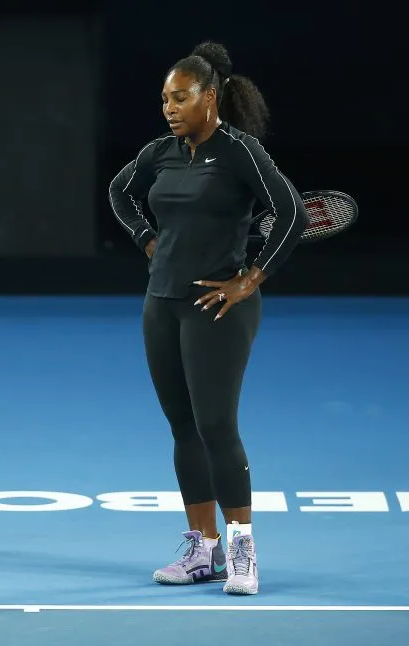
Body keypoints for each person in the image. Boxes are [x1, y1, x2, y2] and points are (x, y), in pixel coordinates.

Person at [108, 41, 308, 595]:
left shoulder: (240, 152)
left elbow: (289, 213)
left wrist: (250, 278)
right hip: (161, 304)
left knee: (217, 426)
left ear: (210, 96)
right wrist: (146, 238)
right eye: (164, 100)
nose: (169, 108)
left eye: (180, 98)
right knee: (183, 429)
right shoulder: (161, 152)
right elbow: (120, 192)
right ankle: (203, 549)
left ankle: (242, 548)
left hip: (218, 309)